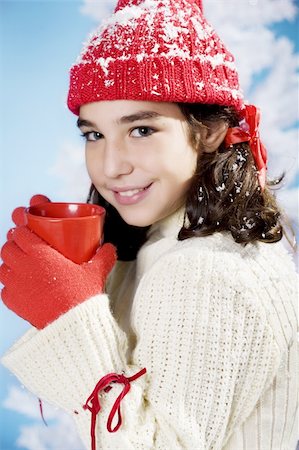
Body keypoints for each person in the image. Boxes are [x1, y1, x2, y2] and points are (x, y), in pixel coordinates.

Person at [0, 0, 298, 449]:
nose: (111, 166)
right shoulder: (177, 242)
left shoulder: (204, 272)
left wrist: (70, 316)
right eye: (93, 134)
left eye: (141, 129)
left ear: (211, 131)